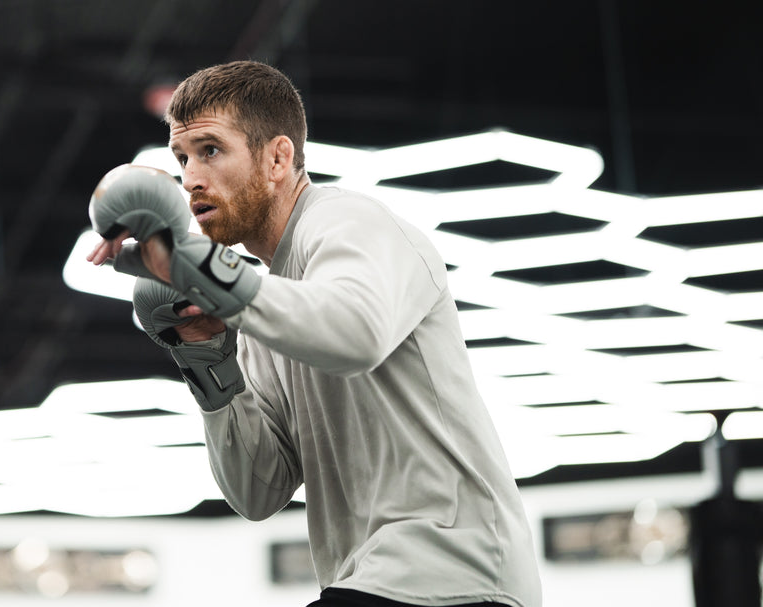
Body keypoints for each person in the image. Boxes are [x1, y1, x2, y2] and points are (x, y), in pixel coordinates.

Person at [87, 60, 542, 607]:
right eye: (182, 159)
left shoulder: (349, 222)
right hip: (373, 579)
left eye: (210, 150)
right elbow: (259, 489)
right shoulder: (260, 302)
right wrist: (205, 354)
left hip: (452, 572)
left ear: (278, 157)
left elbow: (354, 335)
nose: (190, 179)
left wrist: (189, 261)